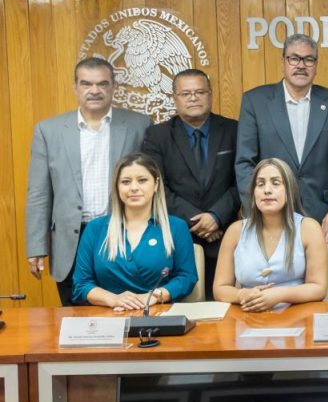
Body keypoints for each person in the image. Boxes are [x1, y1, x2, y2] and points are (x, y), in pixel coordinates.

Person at [235, 33, 328, 299]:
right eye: (294, 58)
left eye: (309, 59)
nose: (301, 65)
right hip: (269, 222)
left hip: (325, 220)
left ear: (316, 65)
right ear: (283, 62)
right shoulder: (255, 101)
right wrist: (257, 209)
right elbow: (245, 163)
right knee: (271, 299)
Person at [26, 57, 151, 305]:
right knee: (76, 316)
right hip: (71, 239)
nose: (95, 90)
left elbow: (152, 183)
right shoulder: (48, 130)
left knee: (128, 310)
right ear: (75, 87)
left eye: (102, 84)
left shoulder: (140, 125)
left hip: (123, 232)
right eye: (86, 84)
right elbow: (38, 193)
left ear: (114, 87)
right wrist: (36, 246)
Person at [142, 69, 239, 299]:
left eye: (200, 92)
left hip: (224, 237)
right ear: (174, 98)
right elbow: (156, 186)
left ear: (210, 94)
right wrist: (199, 221)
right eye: (186, 94)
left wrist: (216, 216)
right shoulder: (157, 135)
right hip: (177, 238)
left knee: (223, 308)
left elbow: (243, 180)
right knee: (180, 308)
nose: (193, 98)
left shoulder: (234, 129)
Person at [71, 153, 197, 308]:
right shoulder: (95, 228)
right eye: (126, 182)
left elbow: (187, 277)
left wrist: (154, 296)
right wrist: (113, 299)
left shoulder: (176, 227)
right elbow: (81, 284)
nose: (134, 188)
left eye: (142, 180)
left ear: (156, 184)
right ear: (117, 187)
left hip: (157, 312)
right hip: (108, 314)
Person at [213, 158, 328, 311]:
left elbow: (318, 287)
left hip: (297, 316)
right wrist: (242, 294)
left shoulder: (309, 228)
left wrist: (279, 295)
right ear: (253, 192)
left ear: (289, 190)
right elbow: (220, 289)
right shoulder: (235, 231)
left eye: (276, 183)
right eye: (260, 184)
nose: (267, 190)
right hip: (248, 316)